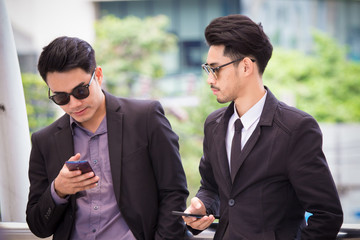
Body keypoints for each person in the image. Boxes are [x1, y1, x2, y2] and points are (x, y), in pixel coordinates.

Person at [183, 14, 343, 239]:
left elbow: (327, 214)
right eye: (207, 69)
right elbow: (211, 187)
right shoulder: (214, 124)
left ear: (246, 66)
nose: (210, 79)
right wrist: (202, 208)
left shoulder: (295, 128)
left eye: (216, 69)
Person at [26, 36, 189, 240]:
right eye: (61, 97)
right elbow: (38, 226)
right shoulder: (44, 141)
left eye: (81, 91)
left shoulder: (145, 118)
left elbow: (174, 191)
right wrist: (58, 190)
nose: (74, 104)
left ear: (99, 75)